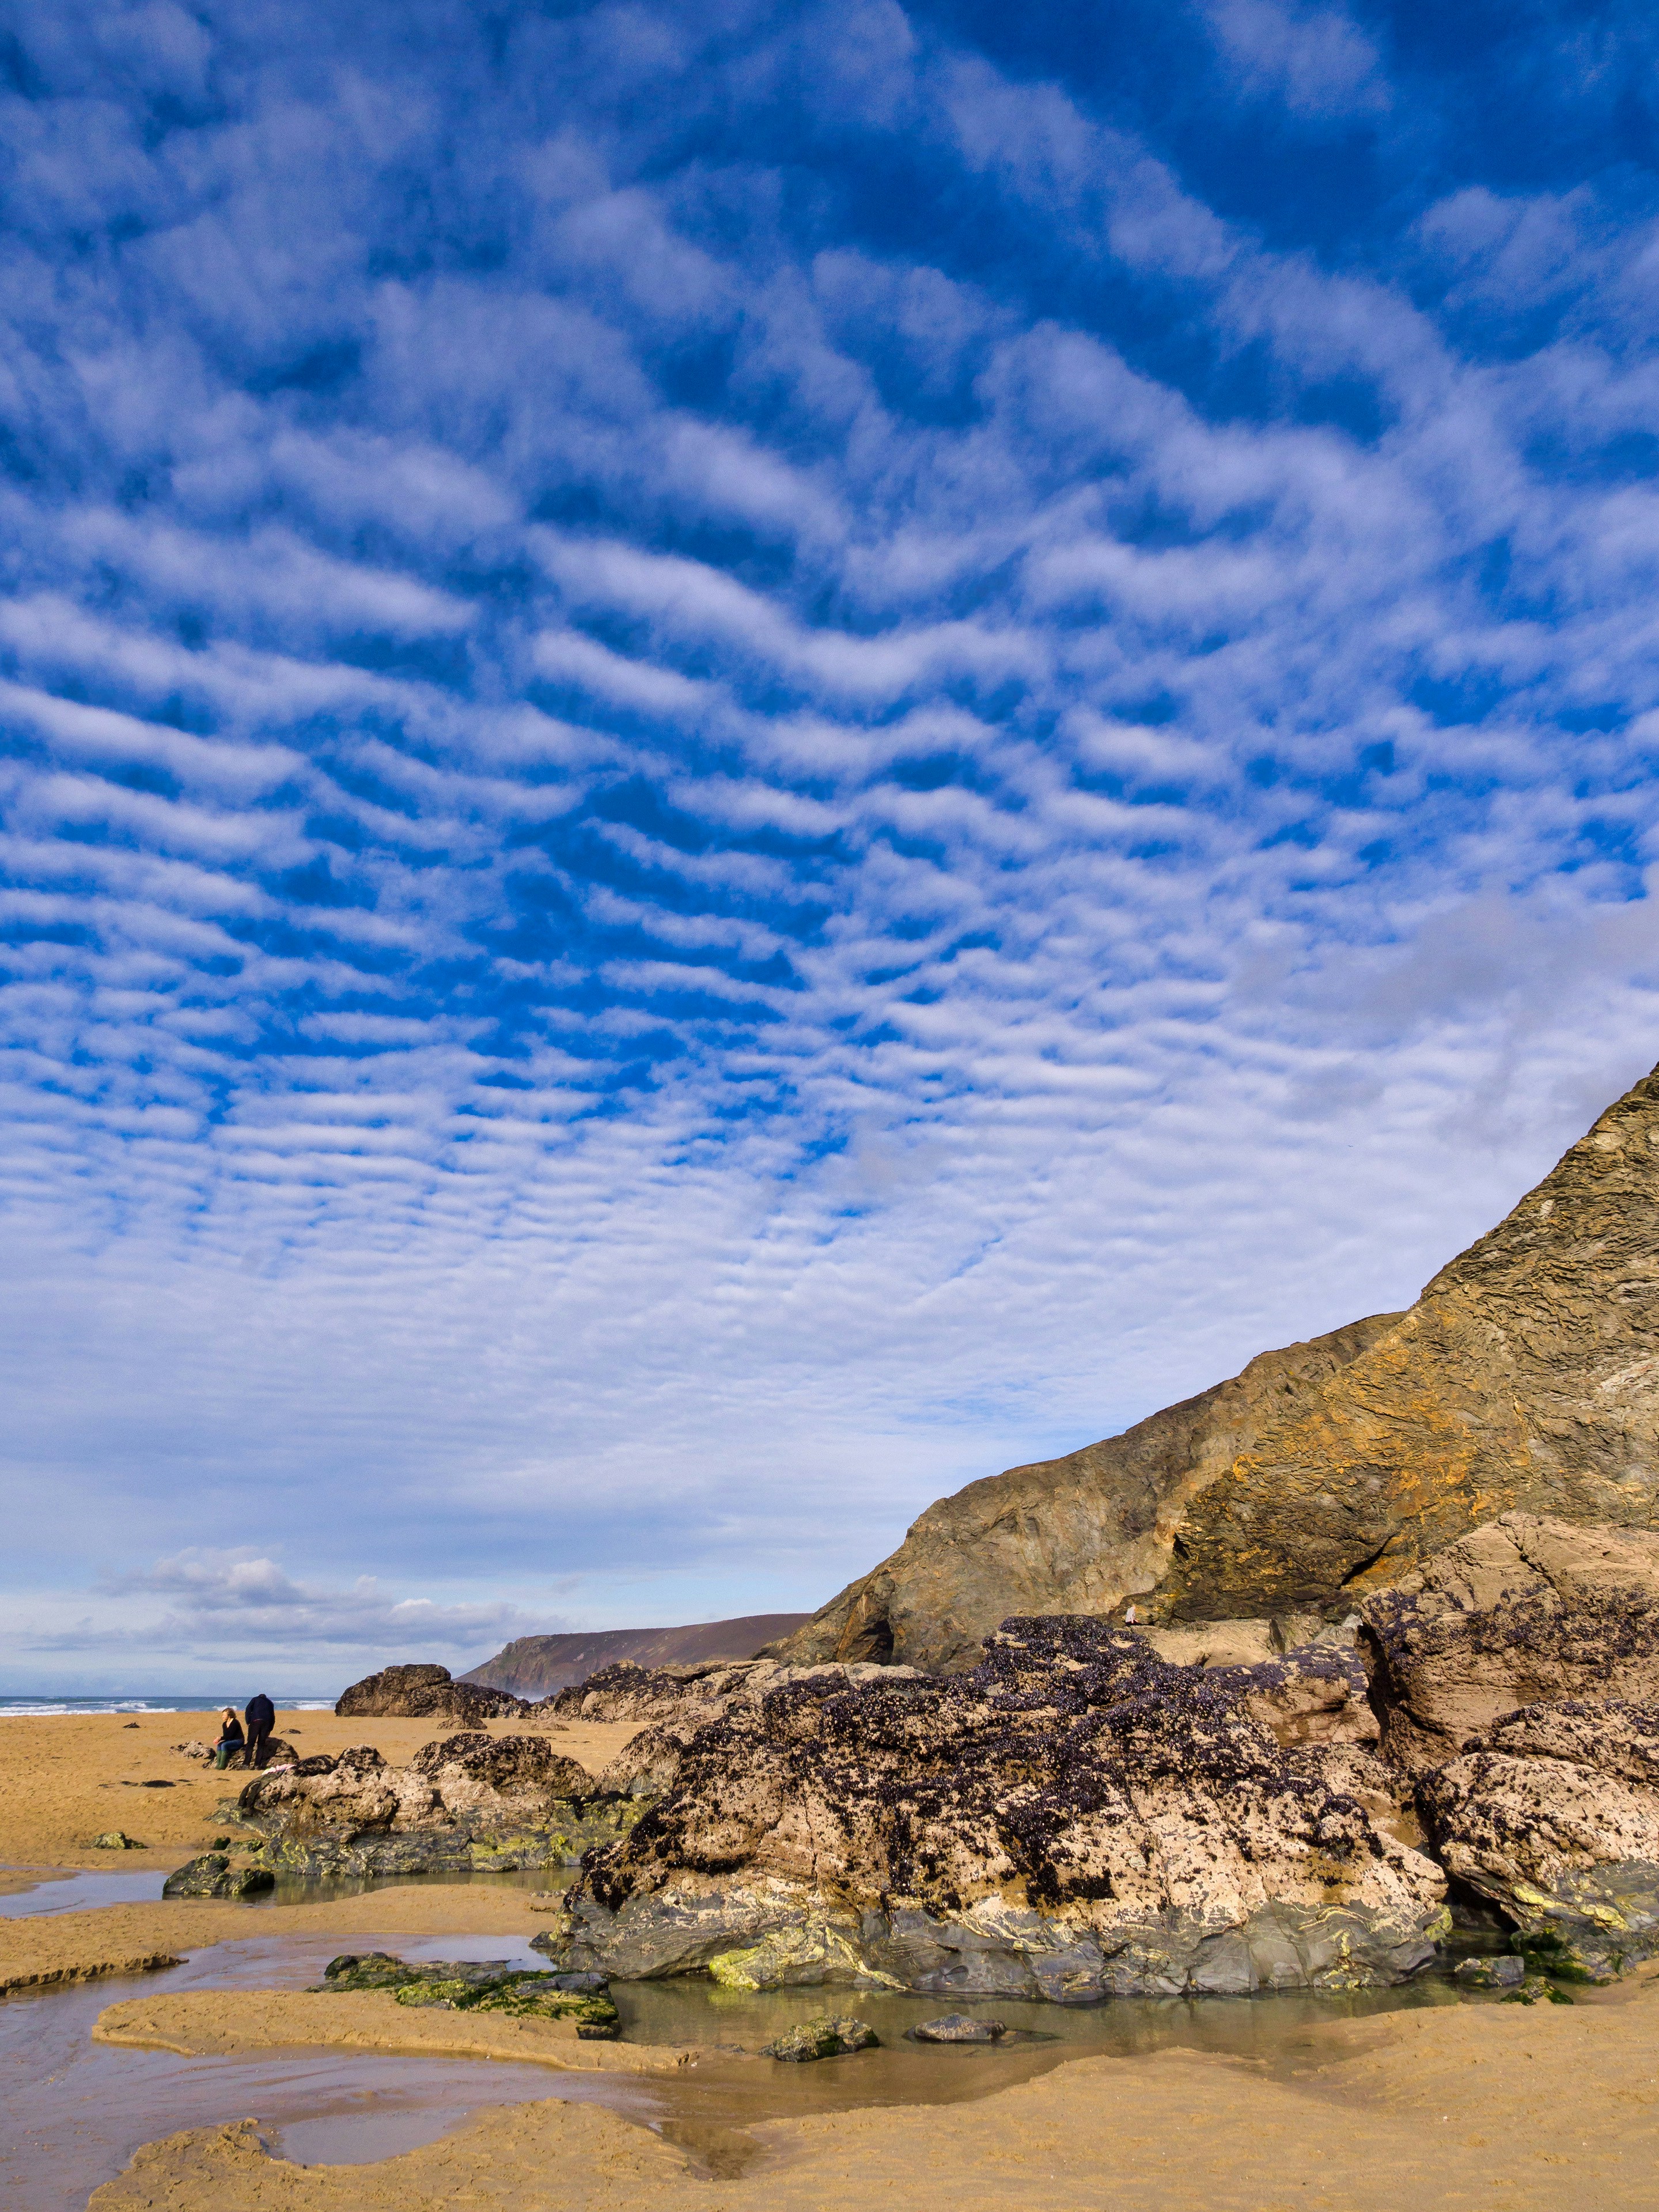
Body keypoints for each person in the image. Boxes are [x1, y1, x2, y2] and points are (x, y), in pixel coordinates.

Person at [242, 1691, 275, 1769]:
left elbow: (248, 1709)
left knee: (251, 1743)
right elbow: (273, 1717)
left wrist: (248, 1721)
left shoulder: (255, 1699)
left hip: (255, 1721)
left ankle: (246, 1764)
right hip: (266, 1723)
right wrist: (270, 1728)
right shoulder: (270, 1703)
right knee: (261, 1744)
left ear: (259, 1696)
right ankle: (257, 1765)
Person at [213, 1707, 244, 1771]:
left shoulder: (235, 1723)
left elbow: (230, 1736)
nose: (223, 1717)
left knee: (224, 1745)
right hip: (230, 1740)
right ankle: (218, 1764)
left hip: (238, 1741)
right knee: (219, 1745)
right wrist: (219, 1739)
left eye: (224, 1715)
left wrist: (220, 1738)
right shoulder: (224, 1724)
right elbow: (226, 1736)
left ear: (229, 1716)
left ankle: (222, 1765)